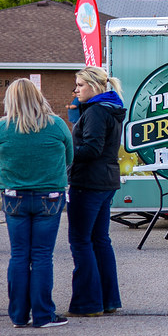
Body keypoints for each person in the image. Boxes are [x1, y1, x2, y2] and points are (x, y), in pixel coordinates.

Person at [0, 79, 73, 329]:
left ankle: (18, 315)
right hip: (50, 196)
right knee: (41, 256)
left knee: (18, 255)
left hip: (14, 196)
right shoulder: (56, 125)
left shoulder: (1, 128)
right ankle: (43, 314)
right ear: (39, 97)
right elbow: (69, 157)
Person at [67, 66, 124, 317]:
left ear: (94, 86)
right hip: (104, 181)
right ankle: (107, 300)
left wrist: (65, 154)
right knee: (100, 241)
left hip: (89, 183)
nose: (75, 90)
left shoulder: (96, 112)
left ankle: (87, 303)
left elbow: (92, 148)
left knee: (82, 241)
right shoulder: (110, 108)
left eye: (79, 85)